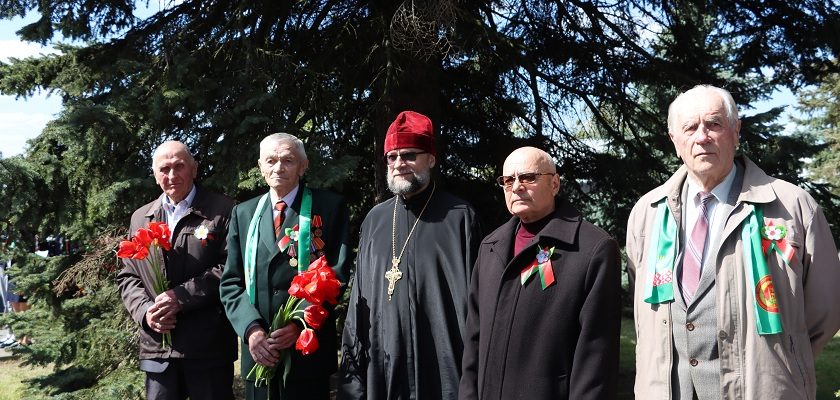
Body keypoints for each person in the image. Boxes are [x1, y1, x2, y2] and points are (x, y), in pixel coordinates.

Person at [627, 84, 840, 399]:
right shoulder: (647, 212)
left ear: (736, 131)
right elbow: (644, 308)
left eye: (714, 124)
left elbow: (826, 310)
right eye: (690, 128)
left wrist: (780, 360)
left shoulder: (792, 206)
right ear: (675, 140)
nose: (702, 136)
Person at [339, 110, 482, 400]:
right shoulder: (375, 220)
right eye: (391, 157)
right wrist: (352, 383)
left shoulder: (460, 218)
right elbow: (358, 304)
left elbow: (479, 304)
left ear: (430, 158)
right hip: (385, 366)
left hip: (443, 369)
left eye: (409, 155)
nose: (398, 164)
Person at [459, 146, 621, 400]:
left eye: (528, 177)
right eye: (508, 180)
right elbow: (474, 342)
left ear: (555, 183)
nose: (517, 187)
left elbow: (596, 359)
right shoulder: (490, 247)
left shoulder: (592, 249)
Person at [220, 133, 351, 400]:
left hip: (307, 351)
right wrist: (251, 330)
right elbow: (231, 282)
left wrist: (298, 323)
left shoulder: (330, 207)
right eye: (271, 161)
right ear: (260, 167)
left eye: (288, 160)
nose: (278, 168)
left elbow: (336, 275)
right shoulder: (243, 213)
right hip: (260, 353)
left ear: (304, 166)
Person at [117, 140, 238, 400]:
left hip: (208, 347)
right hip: (158, 347)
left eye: (179, 166)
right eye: (164, 168)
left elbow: (230, 268)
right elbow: (128, 275)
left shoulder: (224, 211)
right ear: (155, 174)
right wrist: (146, 313)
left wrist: (180, 297)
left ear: (194, 169)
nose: (172, 175)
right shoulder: (141, 218)